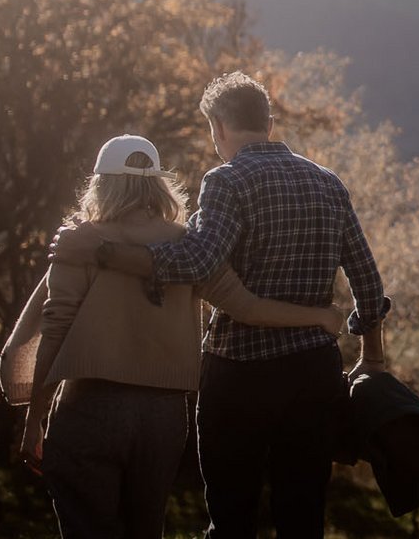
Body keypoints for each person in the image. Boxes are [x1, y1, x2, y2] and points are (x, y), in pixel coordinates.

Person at [51, 72, 388, 539]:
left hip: (240, 372)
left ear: (219, 129)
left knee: (232, 515)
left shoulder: (227, 180)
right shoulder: (328, 183)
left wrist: (106, 252)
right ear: (268, 123)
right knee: (303, 512)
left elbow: (198, 259)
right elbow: (368, 281)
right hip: (314, 372)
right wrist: (372, 356)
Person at [0, 135, 346, 539]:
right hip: (162, 418)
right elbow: (246, 307)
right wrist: (319, 316)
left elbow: (55, 329)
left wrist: (33, 420)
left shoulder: (79, 242)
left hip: (88, 408)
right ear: (158, 184)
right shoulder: (189, 247)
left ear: (102, 183)